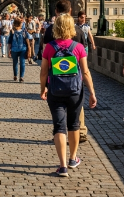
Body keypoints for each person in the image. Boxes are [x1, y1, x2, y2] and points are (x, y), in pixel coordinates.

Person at [40, 14, 97, 177]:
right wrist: (92, 92)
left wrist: (42, 89)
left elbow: (44, 72)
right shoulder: (78, 47)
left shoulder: (50, 47)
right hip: (75, 91)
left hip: (55, 90)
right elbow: (85, 72)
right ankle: (72, 158)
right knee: (73, 124)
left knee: (59, 126)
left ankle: (62, 166)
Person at [42, 0, 89, 142]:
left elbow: (45, 55)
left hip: (55, 77)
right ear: (71, 11)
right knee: (76, 105)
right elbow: (84, 53)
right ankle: (80, 131)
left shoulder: (50, 30)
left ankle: (59, 133)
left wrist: (44, 85)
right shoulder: (79, 30)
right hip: (76, 77)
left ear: (56, 11)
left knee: (59, 108)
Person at [9, 18, 29, 82]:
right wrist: (29, 48)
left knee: (16, 63)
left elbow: (9, 42)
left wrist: (9, 50)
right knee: (21, 63)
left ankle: (18, 76)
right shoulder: (13, 31)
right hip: (19, 49)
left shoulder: (23, 31)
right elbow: (27, 40)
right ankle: (19, 76)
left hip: (19, 49)